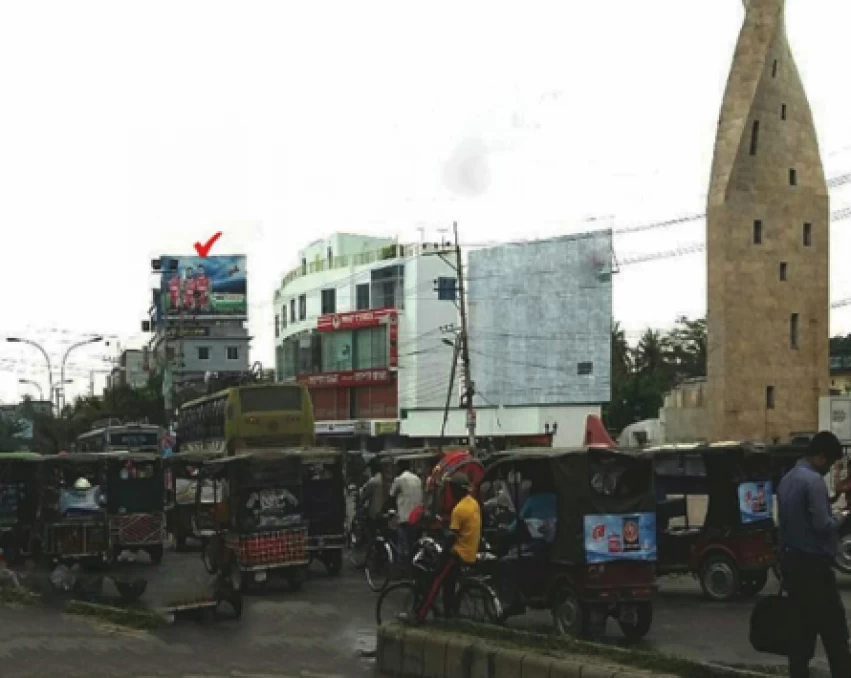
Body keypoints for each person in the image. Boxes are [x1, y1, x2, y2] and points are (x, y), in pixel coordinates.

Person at [777, 430, 851, 678]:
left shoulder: (788, 479)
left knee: (800, 633)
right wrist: (844, 515)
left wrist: (836, 496)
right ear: (821, 457)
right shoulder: (813, 481)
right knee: (836, 633)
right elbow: (823, 525)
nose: (829, 469)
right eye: (829, 463)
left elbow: (801, 515)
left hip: (792, 566)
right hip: (815, 570)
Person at [422, 473, 481, 618]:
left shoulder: (459, 510)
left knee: (438, 578)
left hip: (459, 553)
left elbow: (451, 536)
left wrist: (441, 556)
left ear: (456, 490)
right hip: (471, 550)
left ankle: (432, 613)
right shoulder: (473, 503)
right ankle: (449, 611)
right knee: (449, 582)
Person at [389, 460, 423, 559]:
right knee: (414, 544)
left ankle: (402, 565)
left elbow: (391, 495)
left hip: (404, 517)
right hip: (417, 516)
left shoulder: (399, 479)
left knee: (403, 544)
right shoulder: (417, 478)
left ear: (399, 468)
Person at [359, 459, 384, 542]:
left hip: (374, 514)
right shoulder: (384, 479)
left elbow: (363, 495)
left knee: (371, 535)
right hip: (385, 511)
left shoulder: (373, 481)